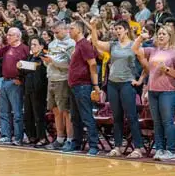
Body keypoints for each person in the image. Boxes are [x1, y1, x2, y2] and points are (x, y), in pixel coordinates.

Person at [90, 19, 145, 158]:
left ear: (126, 30)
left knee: (131, 116)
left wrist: (140, 80)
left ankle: (138, 147)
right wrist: (93, 27)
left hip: (127, 83)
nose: (117, 31)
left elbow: (146, 65)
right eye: (115, 29)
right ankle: (118, 146)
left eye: (119, 28)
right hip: (113, 84)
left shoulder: (134, 45)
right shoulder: (113, 45)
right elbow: (95, 43)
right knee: (117, 117)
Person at [133, 26, 175, 160]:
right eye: (159, 33)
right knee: (157, 122)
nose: (161, 36)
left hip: (167, 91)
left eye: (164, 34)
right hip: (152, 90)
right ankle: (160, 149)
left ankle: (171, 151)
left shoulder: (174, 54)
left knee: (167, 121)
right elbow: (134, 49)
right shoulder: (152, 51)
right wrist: (141, 38)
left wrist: (167, 70)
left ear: (169, 36)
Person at [64, 21, 100, 156]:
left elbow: (93, 64)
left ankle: (94, 146)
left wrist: (96, 85)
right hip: (74, 85)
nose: (69, 30)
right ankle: (76, 143)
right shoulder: (77, 45)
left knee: (86, 116)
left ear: (79, 30)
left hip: (83, 86)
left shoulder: (84, 44)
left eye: (71, 28)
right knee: (75, 117)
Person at [43, 22, 75, 150]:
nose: (55, 35)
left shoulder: (71, 43)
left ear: (65, 30)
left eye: (57, 32)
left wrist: (53, 61)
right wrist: (46, 62)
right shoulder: (52, 44)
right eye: (54, 33)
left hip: (63, 79)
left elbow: (69, 64)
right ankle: (59, 138)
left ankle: (69, 139)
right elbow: (50, 63)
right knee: (55, 110)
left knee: (65, 111)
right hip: (51, 78)